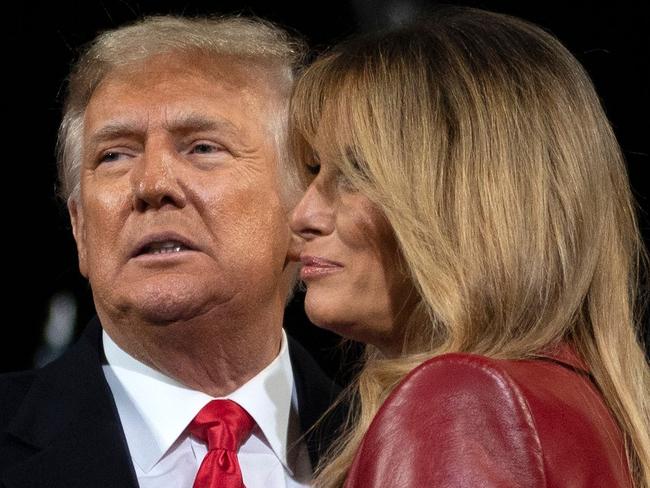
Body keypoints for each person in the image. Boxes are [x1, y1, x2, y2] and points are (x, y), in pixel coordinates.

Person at [288, 7, 650, 488]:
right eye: (315, 171)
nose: (303, 216)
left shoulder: (464, 404)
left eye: (356, 174)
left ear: (466, 200)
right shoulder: (586, 403)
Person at [0, 15, 343, 488]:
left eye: (201, 148)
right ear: (80, 228)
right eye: (114, 155)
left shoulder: (391, 441)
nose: (152, 184)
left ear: (302, 208)